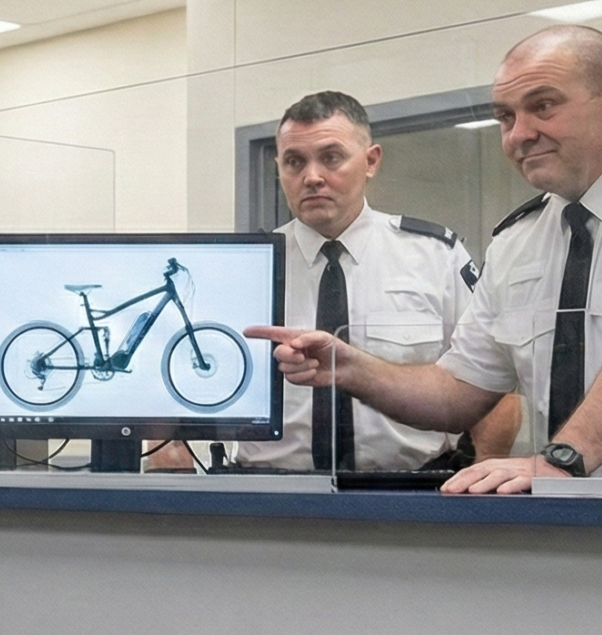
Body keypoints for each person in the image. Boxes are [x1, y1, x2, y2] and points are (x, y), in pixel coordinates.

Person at [251, 26, 602, 489]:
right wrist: (349, 368)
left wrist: (560, 462)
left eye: (542, 106)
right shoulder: (519, 240)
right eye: (505, 117)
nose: (519, 133)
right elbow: (456, 393)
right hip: (586, 512)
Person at [215, 90, 516, 472]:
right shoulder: (243, 269)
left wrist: (484, 477)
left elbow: (494, 383)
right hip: (268, 489)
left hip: (408, 488)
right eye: (294, 162)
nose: (312, 177)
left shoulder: (435, 256)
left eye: (331, 158)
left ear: (371, 161)